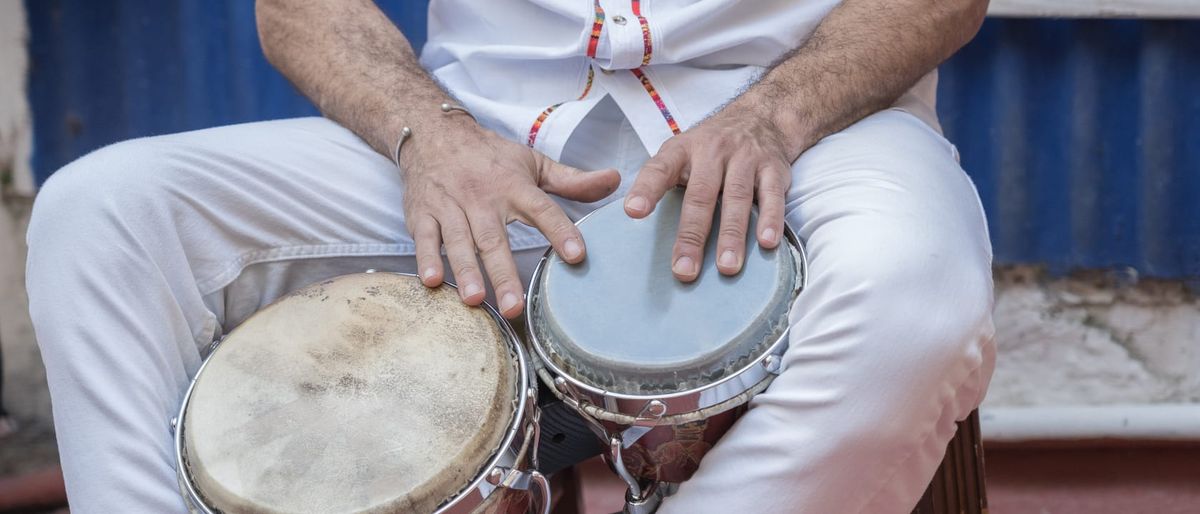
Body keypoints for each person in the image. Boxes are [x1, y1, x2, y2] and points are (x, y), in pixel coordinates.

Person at [25, 0, 996, 512]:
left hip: (794, 131)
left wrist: (774, 117)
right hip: (484, 138)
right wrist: (427, 132)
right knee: (99, 214)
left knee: (910, 290)